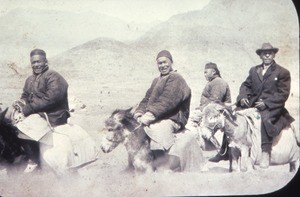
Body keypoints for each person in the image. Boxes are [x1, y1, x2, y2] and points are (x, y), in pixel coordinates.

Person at [236, 43, 294, 169]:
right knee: (233, 115)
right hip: (254, 105)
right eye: (264, 53)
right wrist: (243, 97)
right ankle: (224, 150)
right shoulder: (254, 70)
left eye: (270, 53)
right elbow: (245, 86)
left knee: (265, 118)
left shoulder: (282, 72)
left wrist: (267, 103)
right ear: (260, 56)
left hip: (273, 107)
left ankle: (265, 153)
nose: (267, 55)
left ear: (274, 55)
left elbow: (283, 94)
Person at [12, 48, 70, 172]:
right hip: (38, 113)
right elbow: (25, 96)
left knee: (22, 128)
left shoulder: (53, 76)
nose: (36, 65)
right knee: (12, 125)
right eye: (33, 62)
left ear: (45, 61)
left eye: (39, 61)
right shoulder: (30, 80)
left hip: (54, 114)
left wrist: (27, 110)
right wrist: (20, 106)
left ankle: (34, 159)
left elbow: (52, 99)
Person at [133, 50, 191, 170]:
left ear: (171, 62)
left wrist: (149, 116)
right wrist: (139, 113)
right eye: (159, 63)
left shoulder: (176, 78)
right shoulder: (156, 80)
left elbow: (167, 101)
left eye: (165, 62)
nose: (162, 65)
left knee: (157, 130)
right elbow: (146, 98)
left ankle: (165, 166)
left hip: (173, 118)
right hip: (157, 116)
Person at [185, 62, 231, 162]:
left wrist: (200, 109)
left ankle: (219, 150)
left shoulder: (218, 82)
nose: (204, 74)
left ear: (213, 71)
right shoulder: (213, 82)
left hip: (216, 112)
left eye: (206, 72)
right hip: (209, 111)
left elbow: (215, 101)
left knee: (190, 123)